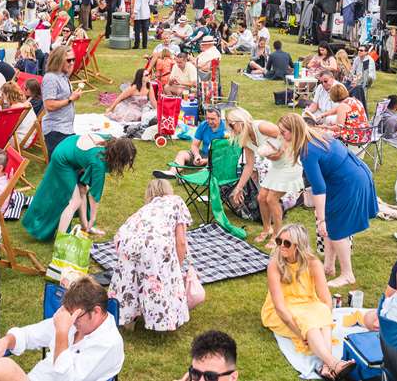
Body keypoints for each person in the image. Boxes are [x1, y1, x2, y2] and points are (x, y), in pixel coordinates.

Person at [281, 114, 377, 288]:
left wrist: (321, 218)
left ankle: (348, 274)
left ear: (294, 131)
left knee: (338, 229)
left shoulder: (307, 151)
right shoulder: (318, 134)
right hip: (352, 175)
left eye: (284, 132)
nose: (282, 136)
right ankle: (328, 266)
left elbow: (318, 188)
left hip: (348, 182)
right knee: (333, 225)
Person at [260, 224, 355, 380]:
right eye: (279, 241)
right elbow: (279, 307)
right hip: (282, 310)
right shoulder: (274, 265)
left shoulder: (313, 263)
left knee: (322, 312)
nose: (281, 246)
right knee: (309, 322)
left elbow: (325, 299)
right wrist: (299, 333)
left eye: (287, 243)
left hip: (308, 303)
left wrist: (325, 316)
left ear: (298, 246)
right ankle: (334, 363)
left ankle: (326, 367)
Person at [109, 180, 193, 332]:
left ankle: (127, 319)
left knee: (130, 276)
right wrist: (176, 270)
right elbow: (181, 242)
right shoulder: (176, 201)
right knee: (158, 278)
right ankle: (162, 321)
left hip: (125, 239)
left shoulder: (145, 209)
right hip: (154, 243)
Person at [22, 135, 136, 241]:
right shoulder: (99, 162)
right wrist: (93, 218)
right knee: (75, 201)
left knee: (82, 190)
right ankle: (61, 240)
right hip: (62, 159)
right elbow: (94, 196)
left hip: (71, 147)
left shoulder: (111, 140)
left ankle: (85, 227)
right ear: (118, 156)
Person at [225, 107, 301, 248]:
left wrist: (281, 150)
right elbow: (249, 165)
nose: (230, 128)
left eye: (231, 124)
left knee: (272, 198)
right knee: (261, 197)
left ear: (240, 121)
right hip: (277, 166)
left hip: (290, 163)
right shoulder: (245, 138)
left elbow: (285, 134)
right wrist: (239, 188)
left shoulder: (261, 127)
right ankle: (267, 229)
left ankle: (278, 235)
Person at [159, 107, 225, 177]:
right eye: (208, 118)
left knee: (216, 163)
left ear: (219, 117)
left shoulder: (226, 129)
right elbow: (194, 145)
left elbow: (225, 153)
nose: (209, 121)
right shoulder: (203, 125)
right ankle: (172, 173)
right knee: (182, 154)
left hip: (218, 157)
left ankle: (195, 176)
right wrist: (197, 155)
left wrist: (206, 160)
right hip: (204, 154)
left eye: (212, 119)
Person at [39, 45, 81, 157]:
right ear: (59, 60)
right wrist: (70, 99)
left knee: (72, 163)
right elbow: (49, 105)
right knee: (61, 165)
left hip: (66, 128)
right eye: (68, 60)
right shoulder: (51, 78)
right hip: (56, 130)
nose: (72, 63)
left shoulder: (63, 76)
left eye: (73, 59)